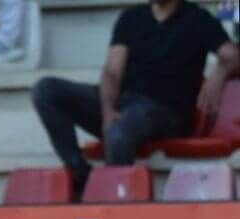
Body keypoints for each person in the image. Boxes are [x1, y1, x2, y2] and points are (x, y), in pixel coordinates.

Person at [32, 0, 237, 198]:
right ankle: (81, 175)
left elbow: (233, 56)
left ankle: (113, 198)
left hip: (166, 112)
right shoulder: (131, 18)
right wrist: (107, 110)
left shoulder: (198, 18)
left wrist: (218, 74)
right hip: (125, 104)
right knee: (46, 90)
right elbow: (112, 72)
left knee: (121, 128)